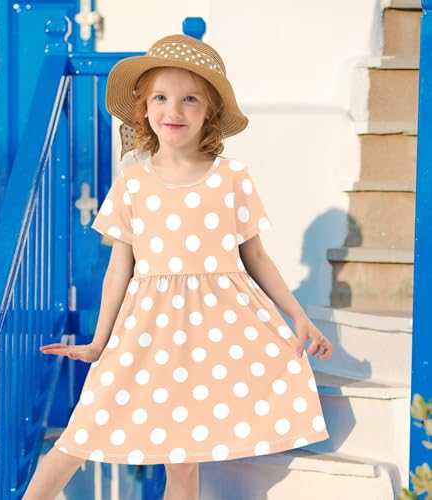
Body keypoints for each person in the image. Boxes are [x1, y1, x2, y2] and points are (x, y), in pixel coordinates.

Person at [23, 33, 334, 500]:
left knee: (183, 463)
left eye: (190, 99)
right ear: (144, 108)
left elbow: (255, 257)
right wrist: (99, 343)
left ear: (209, 111)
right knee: (78, 437)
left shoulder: (232, 177)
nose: (174, 110)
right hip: (146, 330)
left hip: (216, 331)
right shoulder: (132, 184)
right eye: (161, 98)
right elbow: (118, 270)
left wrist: (298, 316)